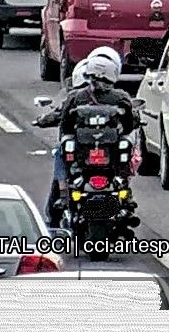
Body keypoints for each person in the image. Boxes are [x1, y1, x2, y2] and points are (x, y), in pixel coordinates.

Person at [35, 47, 138, 224]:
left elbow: (65, 124)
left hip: (101, 166)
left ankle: (64, 198)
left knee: (66, 149)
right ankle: (65, 197)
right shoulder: (119, 97)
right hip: (91, 165)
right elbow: (129, 123)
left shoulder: (77, 97)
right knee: (65, 150)